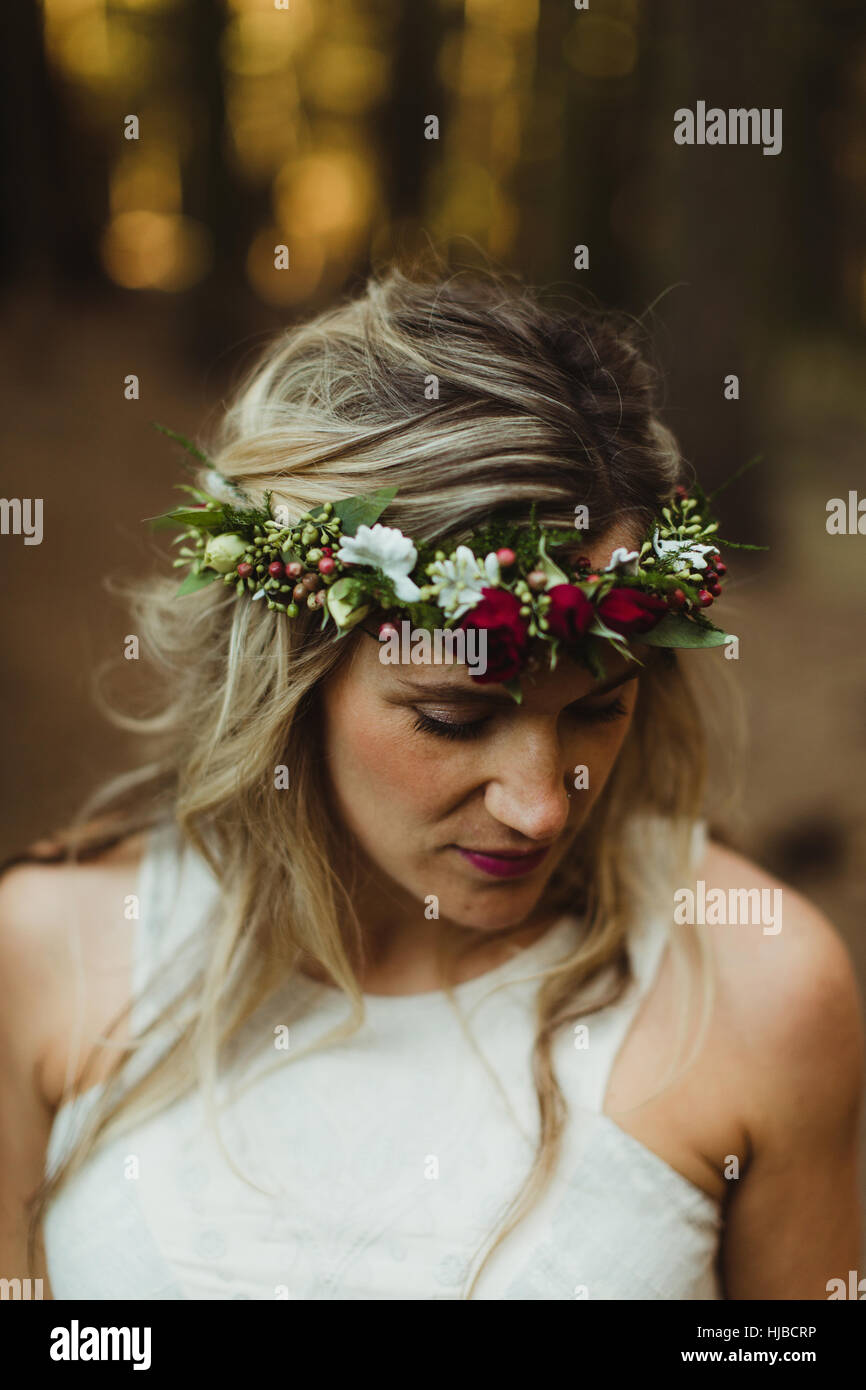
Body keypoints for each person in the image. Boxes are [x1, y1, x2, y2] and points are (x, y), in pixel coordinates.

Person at [0, 263, 861, 1301]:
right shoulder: (45, 962)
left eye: (595, 705)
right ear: (287, 677)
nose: (539, 804)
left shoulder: (756, 990)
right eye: (454, 718)